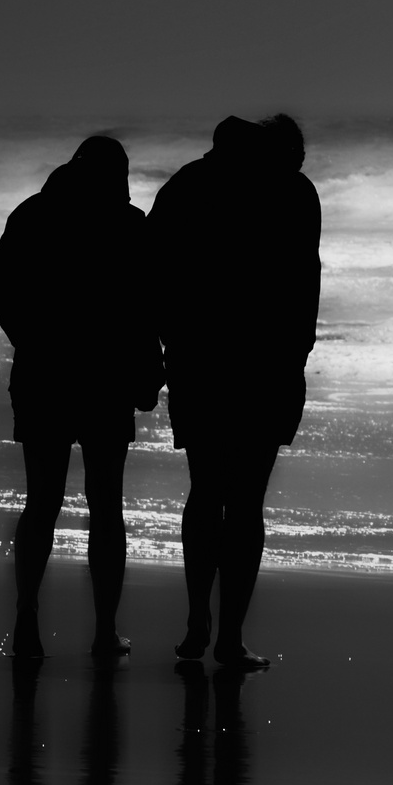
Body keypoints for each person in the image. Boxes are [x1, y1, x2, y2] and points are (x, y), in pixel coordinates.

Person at [148, 114, 320, 669]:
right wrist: (295, 357)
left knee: (206, 493)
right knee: (245, 503)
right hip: (265, 368)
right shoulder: (294, 194)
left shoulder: (188, 185)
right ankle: (229, 637)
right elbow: (303, 285)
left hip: (200, 362)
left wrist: (167, 344)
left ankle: (200, 620)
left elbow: (152, 270)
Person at [0, 135, 163, 659]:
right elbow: (149, 310)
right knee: (106, 505)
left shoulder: (32, 216)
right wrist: (148, 372)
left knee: (41, 502)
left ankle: (26, 619)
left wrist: (37, 345)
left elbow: (4, 297)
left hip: (43, 378)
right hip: (106, 383)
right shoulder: (131, 228)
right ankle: (105, 630)